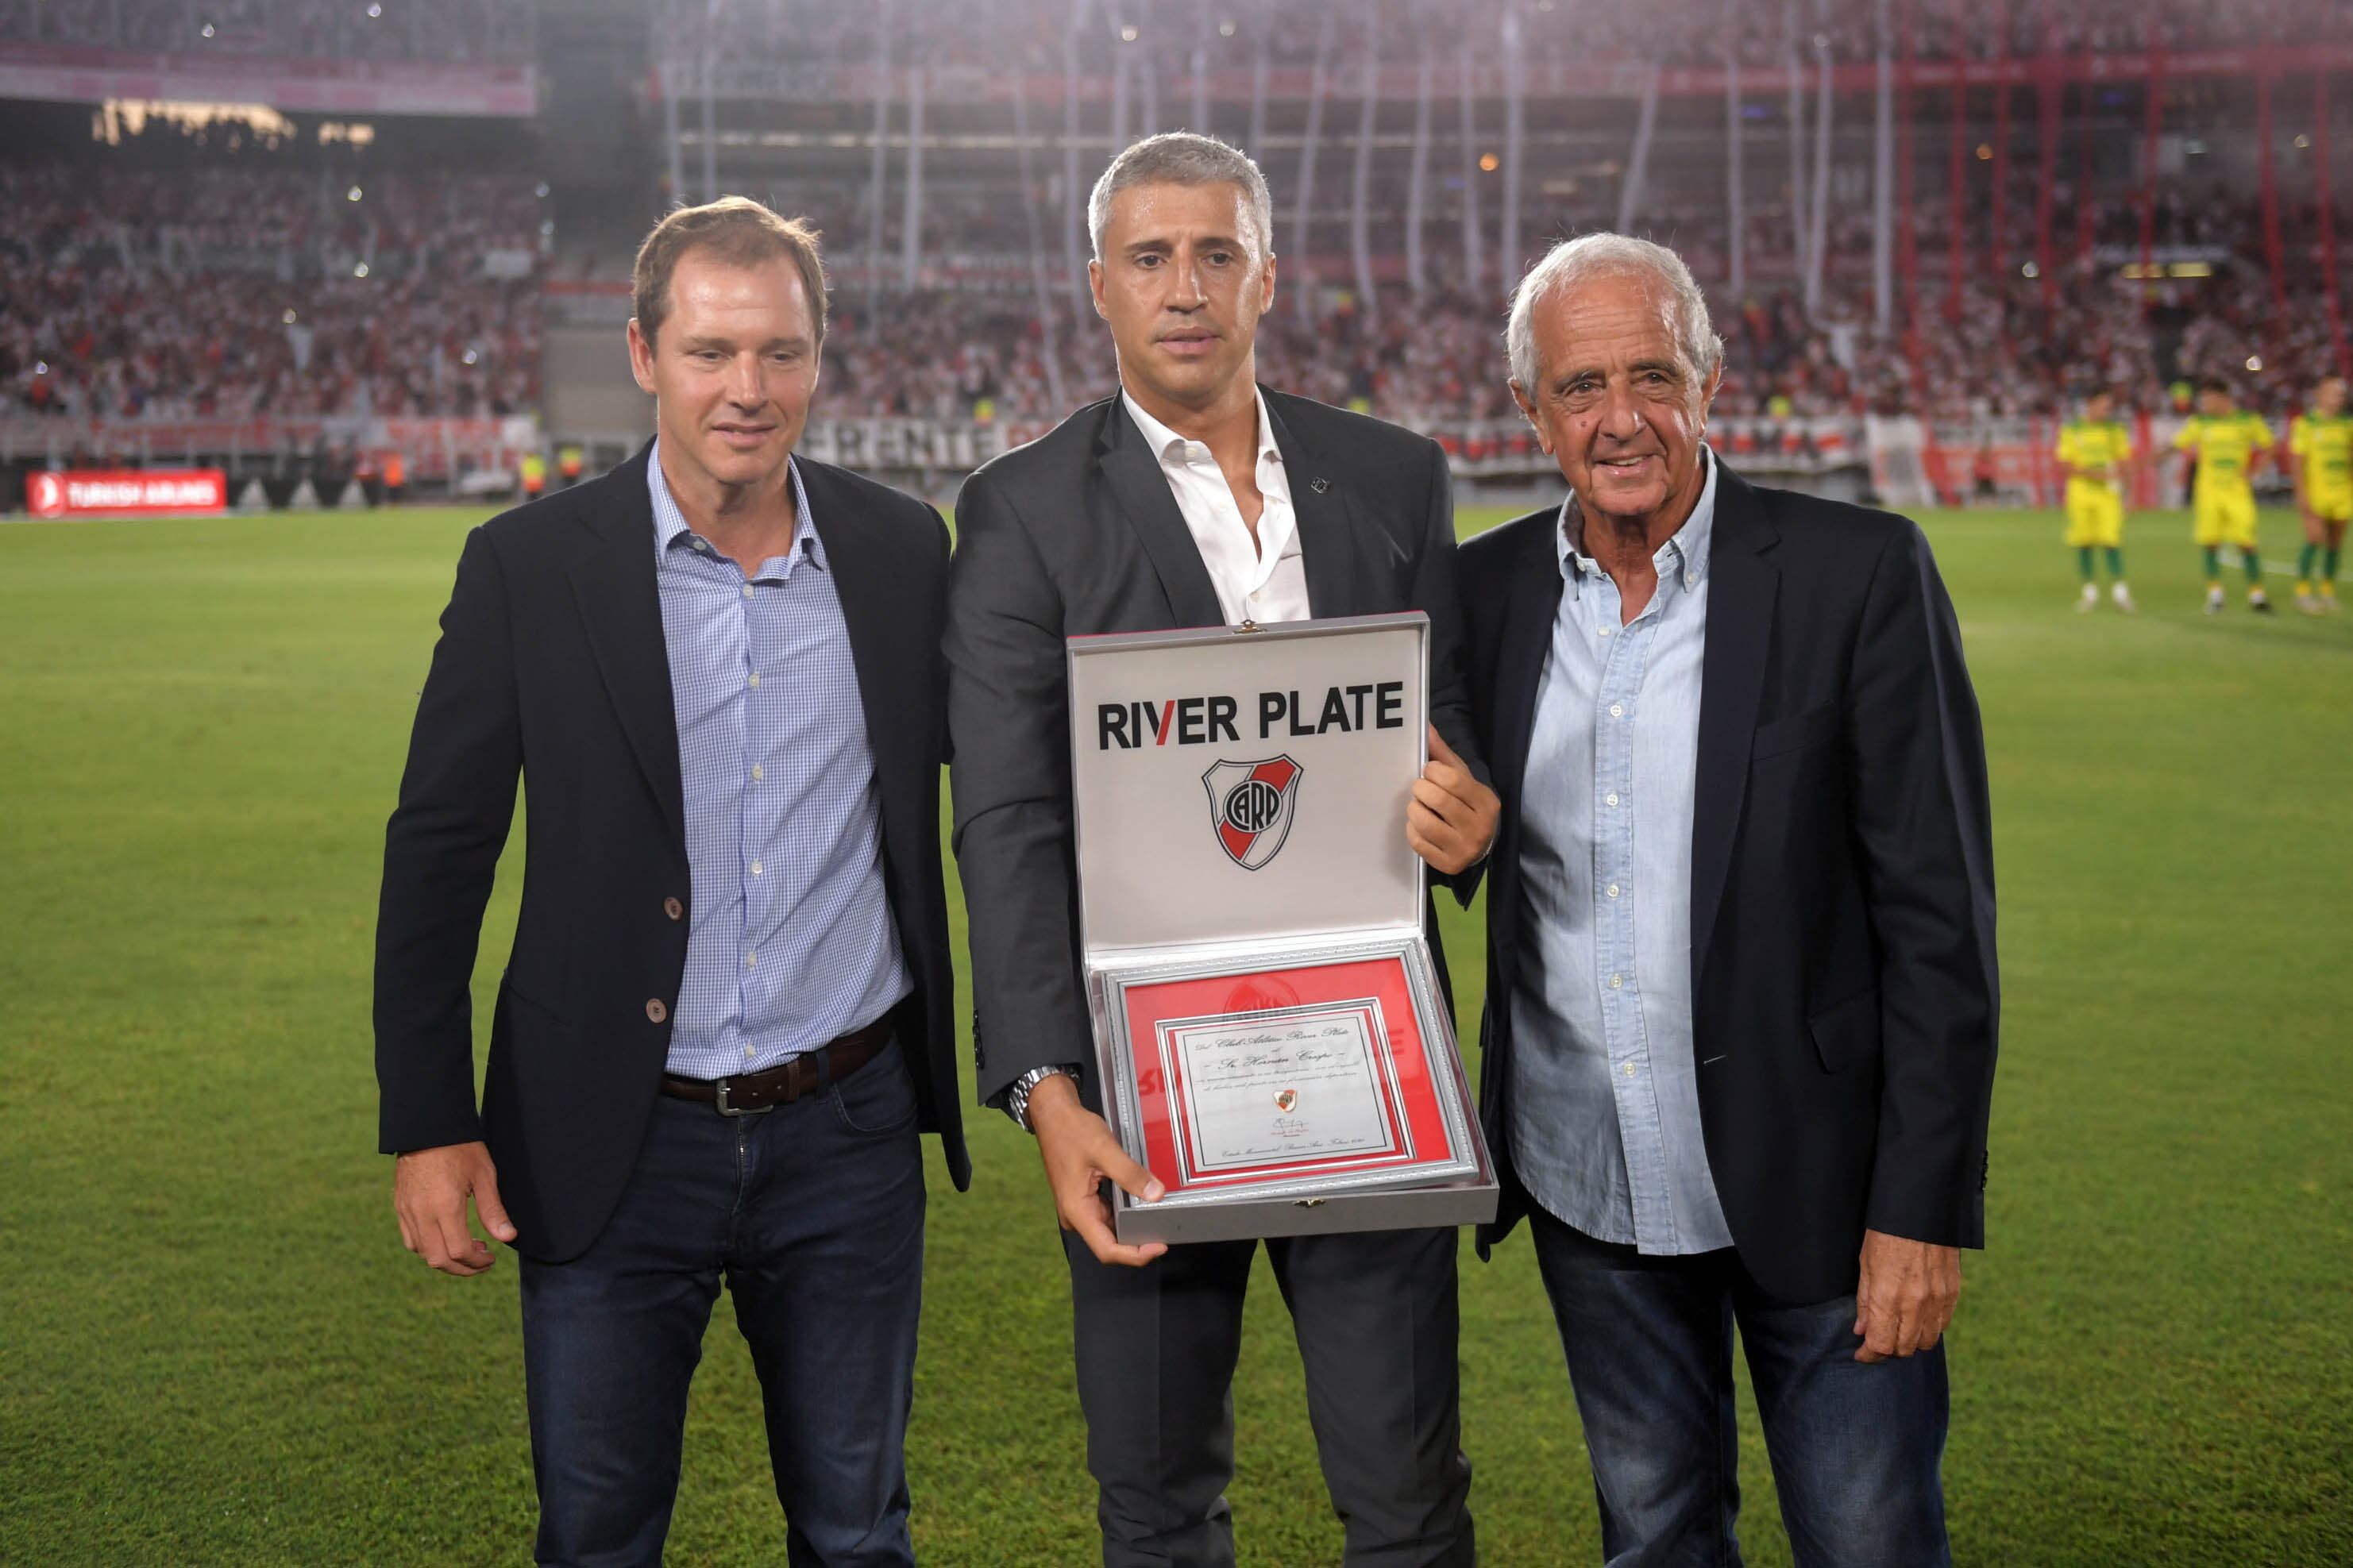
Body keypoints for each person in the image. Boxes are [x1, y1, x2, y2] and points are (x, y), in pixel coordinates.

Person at [375, 197, 967, 1566]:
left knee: (858, 1531)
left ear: (820, 361)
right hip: (608, 1131)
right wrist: (427, 1117)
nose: (744, 390)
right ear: (643, 355)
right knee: (595, 1535)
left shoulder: (897, 553)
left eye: (778, 353)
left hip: (846, 1130)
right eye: (709, 352)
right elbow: (439, 849)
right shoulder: (528, 566)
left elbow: (1013, 767)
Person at [944, 132, 1499, 1568]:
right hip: (1141, 1088)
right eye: (1147, 258)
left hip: (1367, 1070)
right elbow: (1006, 819)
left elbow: (1443, 733)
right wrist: (1043, 1092)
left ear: (1268, 275)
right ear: (1097, 288)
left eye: (1212, 254)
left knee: (1407, 1506)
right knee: (1159, 1504)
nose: (1182, 288)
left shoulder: (1393, 475)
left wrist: (1468, 820)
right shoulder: (1022, 509)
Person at [1455, 233, 1999, 1566]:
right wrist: (1445, 847)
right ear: (1530, 411)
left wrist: (1920, 1209)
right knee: (1652, 1538)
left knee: (1867, 1542)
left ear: (1707, 377)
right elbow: (1441, 828)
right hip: (1588, 1183)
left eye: (1650, 373)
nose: (1619, 417)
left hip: (1820, 1188)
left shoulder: (1855, 571)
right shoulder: (1480, 593)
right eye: (1579, 386)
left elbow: (1938, 924)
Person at [2173, 379, 2275, 614]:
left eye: (2208, 399)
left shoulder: (2248, 421)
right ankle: (2215, 596)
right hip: (2208, 493)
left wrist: (2254, 471)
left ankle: (2257, 595)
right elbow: (2180, 444)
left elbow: (2270, 446)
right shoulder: (2199, 422)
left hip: (2237, 493)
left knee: (2247, 543)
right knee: (2210, 544)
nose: (2204, 404)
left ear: (2223, 398)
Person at [2054, 389, 2135, 612]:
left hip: (2108, 496)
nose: (2107, 411)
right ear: (2090, 404)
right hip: (2080, 494)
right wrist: (2097, 474)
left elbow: (2124, 462)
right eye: (2103, 406)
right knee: (2084, 542)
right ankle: (2089, 593)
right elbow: (2065, 465)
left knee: (2111, 541)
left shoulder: (2114, 430)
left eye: (2109, 407)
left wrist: (2128, 495)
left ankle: (2120, 592)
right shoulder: (2072, 430)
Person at [2289, 374, 2350, 614]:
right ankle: (2302, 593)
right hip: (2316, 493)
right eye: (2333, 393)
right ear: (2319, 395)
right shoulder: (2305, 425)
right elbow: (2297, 463)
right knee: (2314, 540)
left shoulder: (2346, 425)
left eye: (2341, 394)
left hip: (2343, 493)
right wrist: (2301, 494)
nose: (2338, 399)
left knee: (2335, 545)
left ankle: (2327, 593)